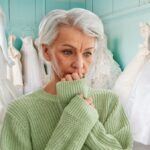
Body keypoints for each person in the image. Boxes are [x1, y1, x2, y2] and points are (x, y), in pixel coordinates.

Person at [0, 8, 133, 150]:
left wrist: (83, 113)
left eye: (87, 53)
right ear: (46, 52)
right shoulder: (20, 112)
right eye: (68, 52)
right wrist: (77, 117)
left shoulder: (110, 102)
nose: (80, 64)